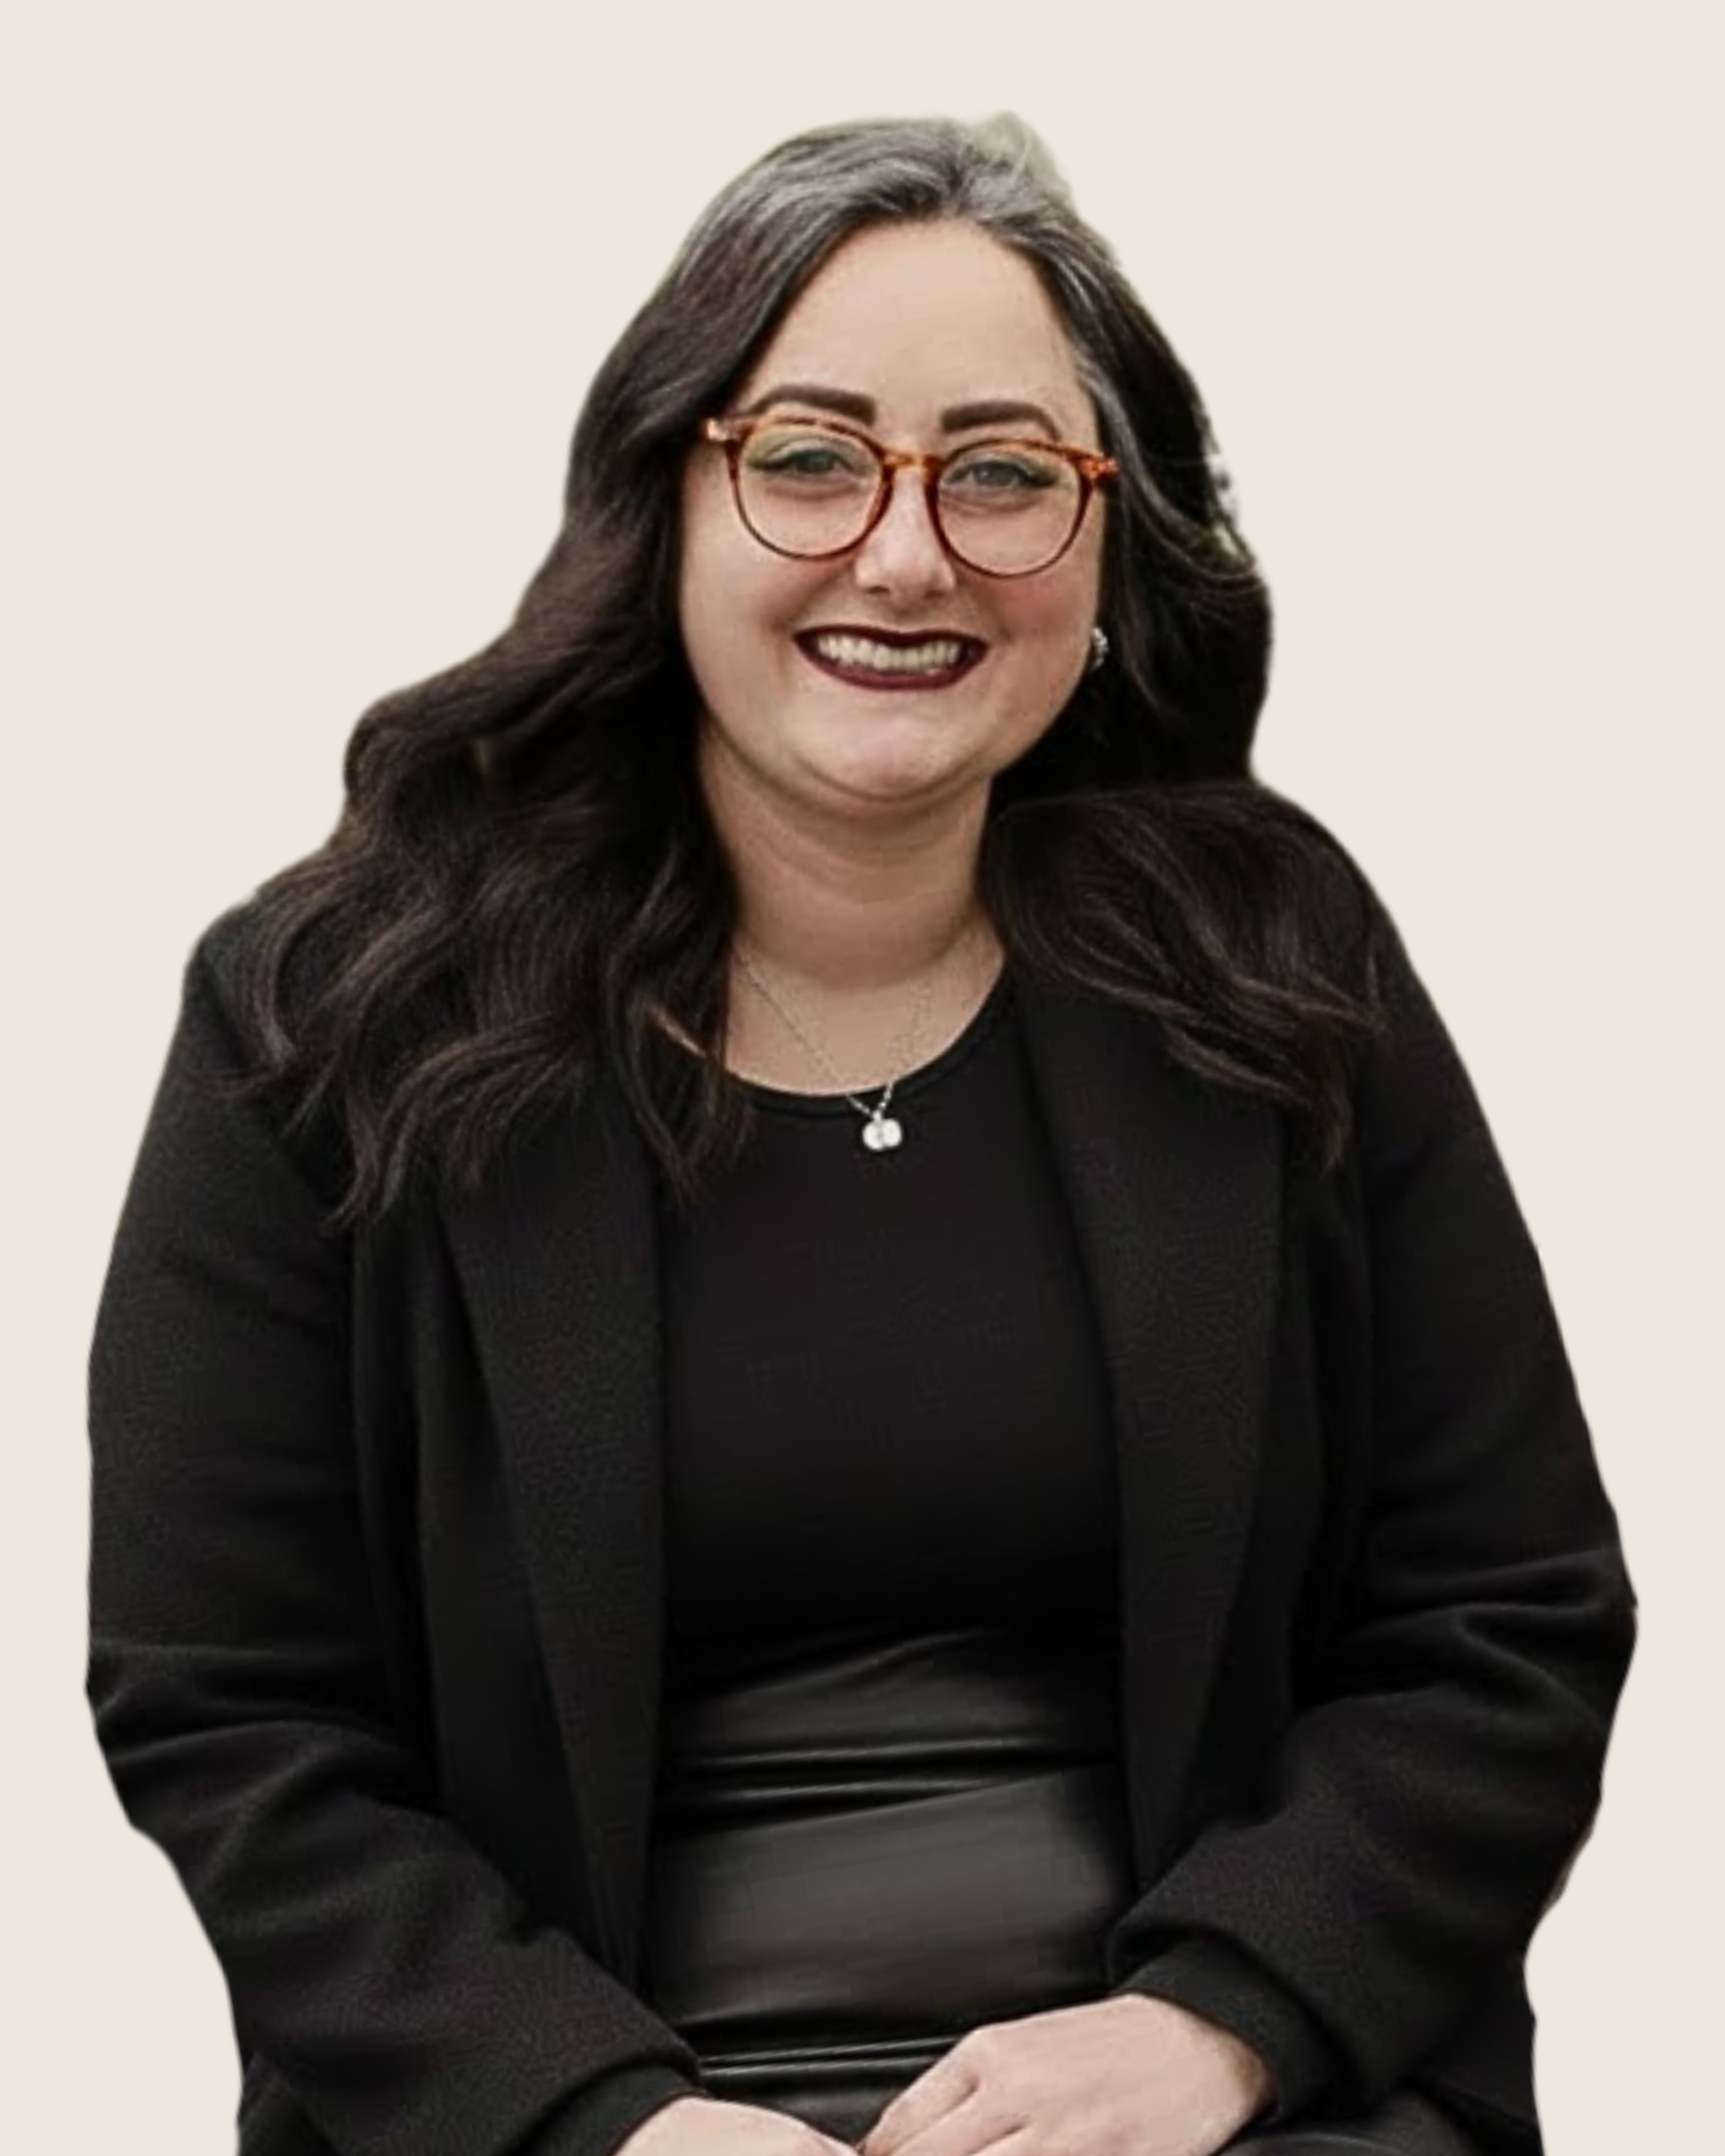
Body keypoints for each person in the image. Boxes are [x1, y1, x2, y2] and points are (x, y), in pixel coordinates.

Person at [85, 113, 1635, 2156]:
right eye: (809, 457)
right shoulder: (326, 1017)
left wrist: (1222, 2022)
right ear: (665, 497)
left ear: (1107, 541)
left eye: (1000, 475)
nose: (904, 554)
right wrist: (595, 2115)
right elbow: (236, 1713)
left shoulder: (1273, 964)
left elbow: (1503, 1615)